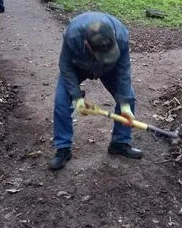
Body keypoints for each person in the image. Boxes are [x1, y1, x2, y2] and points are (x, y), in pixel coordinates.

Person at [50, 12, 143, 171]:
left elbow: (123, 70)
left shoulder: (121, 35)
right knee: (61, 101)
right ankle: (63, 149)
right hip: (78, 66)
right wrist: (77, 97)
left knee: (129, 98)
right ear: (86, 44)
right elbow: (65, 67)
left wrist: (125, 106)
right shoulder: (72, 36)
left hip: (109, 68)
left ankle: (119, 143)